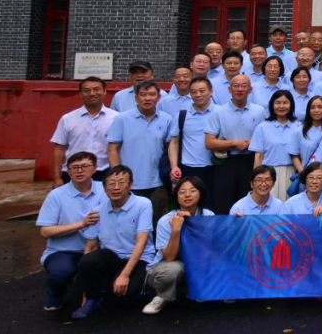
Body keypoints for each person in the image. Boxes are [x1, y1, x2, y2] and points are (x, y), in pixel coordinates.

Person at [69, 166, 156, 320]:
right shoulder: (98, 210)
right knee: (87, 261)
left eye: (121, 182)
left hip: (139, 259)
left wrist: (124, 275)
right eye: (111, 183)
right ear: (104, 187)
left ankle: (142, 290)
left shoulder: (143, 204)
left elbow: (141, 243)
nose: (116, 188)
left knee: (128, 294)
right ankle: (93, 298)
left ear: (130, 185)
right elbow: (90, 246)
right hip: (112, 257)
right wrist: (86, 288)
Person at [36, 151, 105, 311]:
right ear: (68, 171)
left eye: (85, 166)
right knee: (61, 272)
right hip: (63, 250)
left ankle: (96, 294)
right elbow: (45, 231)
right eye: (74, 167)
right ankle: (55, 294)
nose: (79, 171)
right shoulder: (56, 195)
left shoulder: (105, 189)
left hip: (99, 248)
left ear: (94, 168)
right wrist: (81, 224)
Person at [106, 81, 179, 226]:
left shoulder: (166, 119)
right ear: (136, 98)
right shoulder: (122, 119)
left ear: (159, 97)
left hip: (157, 182)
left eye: (152, 94)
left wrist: (173, 168)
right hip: (130, 183)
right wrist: (118, 176)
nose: (147, 98)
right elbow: (112, 148)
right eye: (143, 95)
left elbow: (170, 147)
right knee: (129, 223)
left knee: (157, 222)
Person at [142, 176, 214, 315]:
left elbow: (210, 249)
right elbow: (169, 257)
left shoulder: (208, 215)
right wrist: (176, 229)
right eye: (182, 192)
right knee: (172, 269)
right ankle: (161, 296)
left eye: (193, 190)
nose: (187, 195)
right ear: (176, 196)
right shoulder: (166, 220)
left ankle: (199, 288)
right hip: (165, 267)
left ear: (201, 194)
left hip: (196, 263)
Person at [205, 74, 265, 214]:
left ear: (250, 90)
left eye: (244, 86)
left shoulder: (259, 111)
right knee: (224, 202)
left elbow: (264, 138)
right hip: (227, 162)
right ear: (229, 89)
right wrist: (234, 143)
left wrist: (253, 143)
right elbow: (209, 142)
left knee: (249, 201)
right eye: (236, 86)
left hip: (251, 161)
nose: (240, 89)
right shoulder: (218, 112)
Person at [51, 77, 116, 186]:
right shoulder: (68, 119)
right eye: (87, 90)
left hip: (105, 173)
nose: (92, 93)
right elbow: (59, 148)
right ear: (80, 94)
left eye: (96, 89)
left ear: (105, 91)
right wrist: (57, 177)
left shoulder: (116, 118)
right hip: (73, 173)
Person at [177, 77, 217, 210]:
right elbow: (174, 142)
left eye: (202, 91)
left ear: (211, 91)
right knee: (190, 206)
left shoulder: (220, 112)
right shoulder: (182, 115)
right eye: (193, 92)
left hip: (215, 168)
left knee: (213, 206)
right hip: (189, 168)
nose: (198, 95)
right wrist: (174, 166)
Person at [249, 90, 297, 200]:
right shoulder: (262, 127)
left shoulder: (298, 126)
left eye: (285, 102)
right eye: (278, 103)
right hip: (268, 174)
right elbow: (258, 156)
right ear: (272, 105)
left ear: (291, 105)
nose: (281, 106)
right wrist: (257, 179)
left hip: (291, 173)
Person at [289, 96, 322, 191]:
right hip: (307, 179)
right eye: (313, 107)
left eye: (320, 107)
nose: (316, 110)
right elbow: (294, 155)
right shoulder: (299, 131)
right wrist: (302, 172)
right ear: (308, 110)